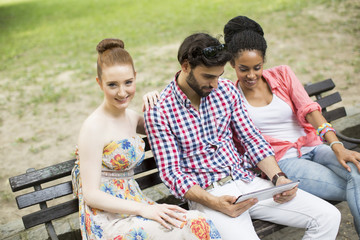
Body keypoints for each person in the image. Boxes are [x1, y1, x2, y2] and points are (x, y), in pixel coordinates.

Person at [144, 32, 341, 240]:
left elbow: (252, 139)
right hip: (209, 194)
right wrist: (214, 202)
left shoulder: (226, 90)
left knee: (328, 216)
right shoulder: (159, 111)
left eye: (218, 76)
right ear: (185, 66)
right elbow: (172, 173)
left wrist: (279, 178)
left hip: (248, 183)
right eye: (208, 77)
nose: (215, 84)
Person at [71, 38, 222, 240]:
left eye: (128, 83)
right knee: (184, 228)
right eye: (112, 85)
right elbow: (91, 195)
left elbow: (170, 124)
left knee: (197, 221)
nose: (122, 92)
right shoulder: (93, 127)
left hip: (136, 206)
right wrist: (143, 210)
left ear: (135, 77)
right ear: (99, 83)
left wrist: (155, 100)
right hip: (110, 219)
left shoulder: (132, 118)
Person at [223, 15, 360, 236]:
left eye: (257, 67)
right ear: (232, 64)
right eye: (243, 69)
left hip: (313, 146)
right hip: (285, 161)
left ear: (264, 61)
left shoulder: (282, 75)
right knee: (356, 184)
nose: (251, 75)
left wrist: (338, 147)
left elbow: (310, 109)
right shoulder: (229, 95)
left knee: (357, 173)